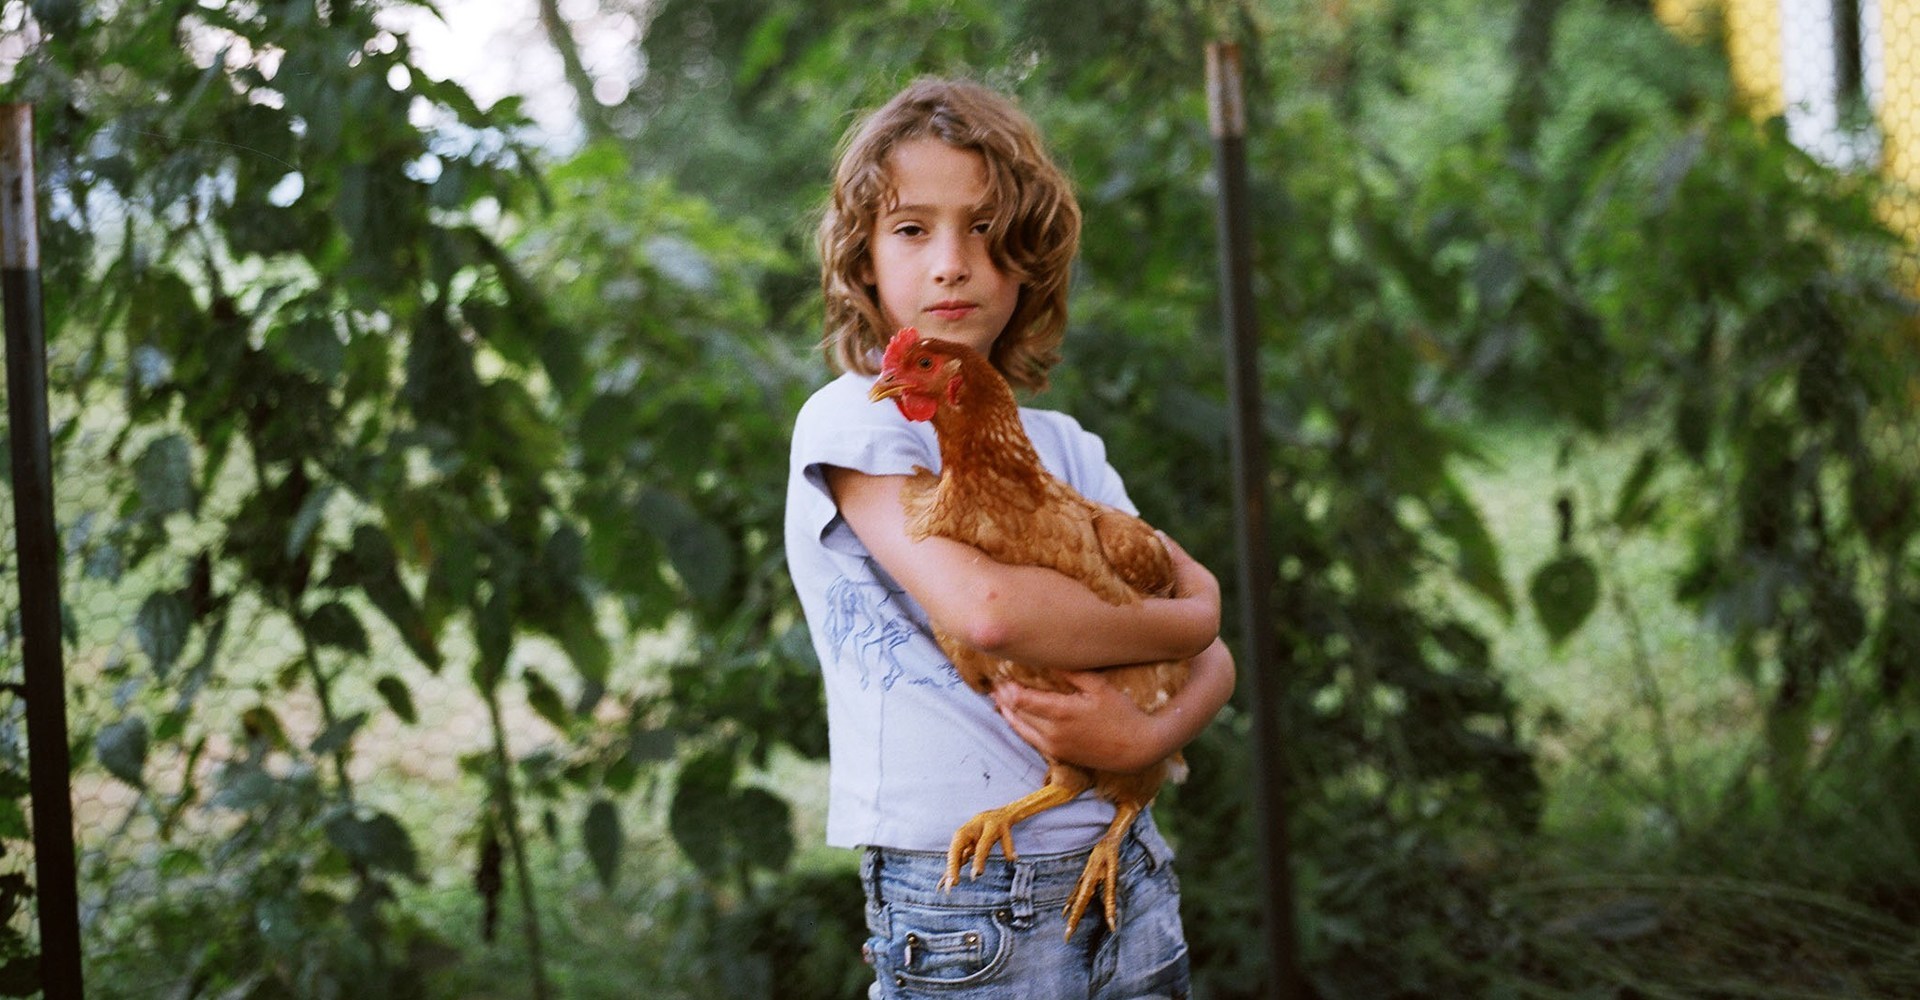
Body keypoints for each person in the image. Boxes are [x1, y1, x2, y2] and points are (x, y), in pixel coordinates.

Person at [783, 75, 1236, 1000]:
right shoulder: (853, 425)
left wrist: (1139, 736)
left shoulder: (1068, 447)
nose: (951, 263)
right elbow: (989, 613)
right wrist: (1193, 615)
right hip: (969, 897)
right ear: (863, 259)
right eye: (913, 230)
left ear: (1028, 259)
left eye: (986, 230)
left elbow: (1212, 667)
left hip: (1130, 866)